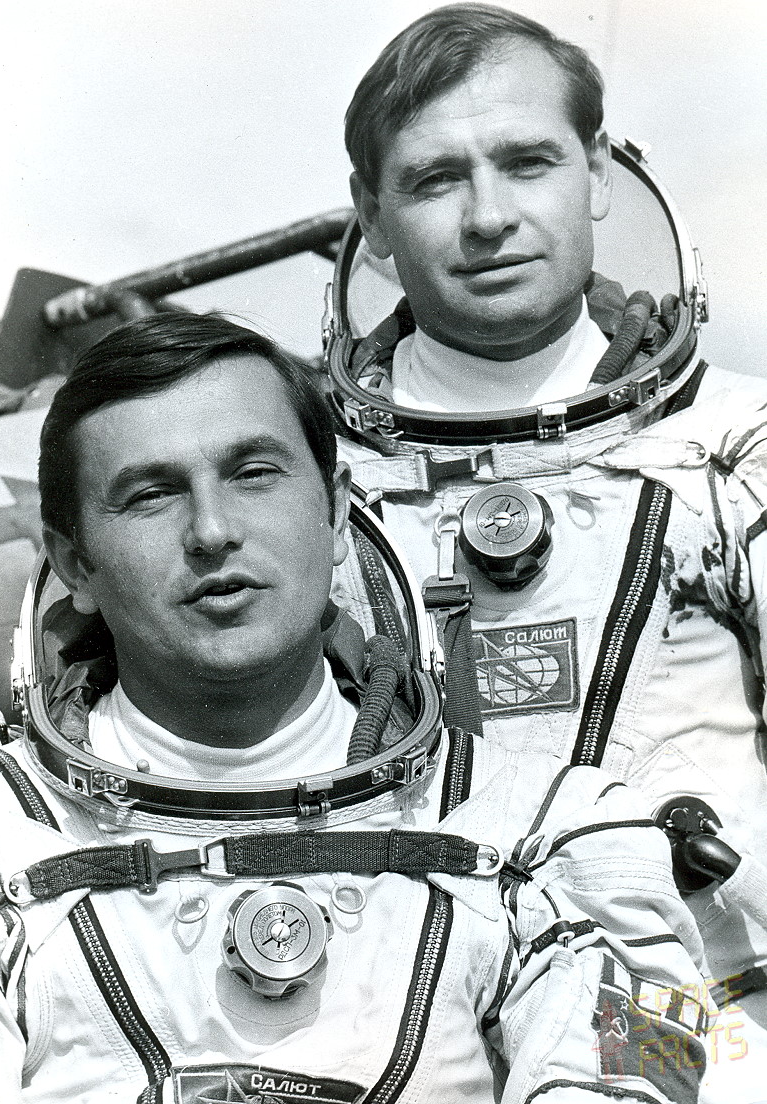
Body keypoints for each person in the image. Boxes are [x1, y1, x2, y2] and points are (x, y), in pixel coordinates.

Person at [0, 311, 709, 1103]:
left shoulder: (551, 837)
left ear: (337, 512)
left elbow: (635, 1076)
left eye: (254, 473)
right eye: (151, 495)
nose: (211, 531)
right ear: (75, 563)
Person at [322, 4, 767, 1097]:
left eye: (527, 163)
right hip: (392, 1028)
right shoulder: (301, 488)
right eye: (434, 180)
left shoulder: (727, 450)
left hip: (699, 1017)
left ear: (597, 172)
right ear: (371, 215)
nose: (488, 218)